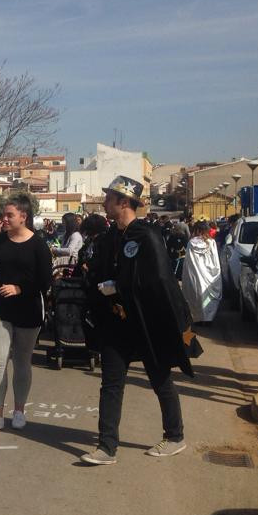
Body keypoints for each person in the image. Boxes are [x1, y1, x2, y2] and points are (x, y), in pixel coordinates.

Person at [81, 176, 192, 465]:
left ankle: (175, 436)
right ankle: (106, 447)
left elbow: (157, 278)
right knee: (111, 383)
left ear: (123, 202)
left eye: (109, 198)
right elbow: (99, 269)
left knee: (160, 379)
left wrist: (121, 285)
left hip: (146, 321)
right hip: (117, 324)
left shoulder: (147, 235)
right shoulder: (110, 237)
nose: (104, 202)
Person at [0, 195, 53, 433]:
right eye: (3, 215)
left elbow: (46, 281)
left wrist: (20, 288)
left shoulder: (39, 245)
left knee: (22, 362)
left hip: (28, 310)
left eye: (9, 215)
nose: (4, 219)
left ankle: (19, 411)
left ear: (23, 217)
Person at [181, 220, 222, 325]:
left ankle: (198, 318)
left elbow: (189, 262)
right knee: (208, 296)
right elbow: (215, 260)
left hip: (195, 274)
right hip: (209, 274)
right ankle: (208, 317)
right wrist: (216, 271)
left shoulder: (191, 243)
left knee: (195, 295)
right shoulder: (211, 242)